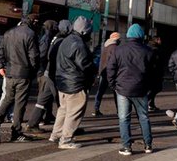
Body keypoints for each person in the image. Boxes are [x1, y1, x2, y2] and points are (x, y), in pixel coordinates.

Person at [107, 24, 157, 156]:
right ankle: (148, 145)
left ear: (128, 35)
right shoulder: (148, 51)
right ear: (141, 36)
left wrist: (113, 86)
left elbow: (110, 69)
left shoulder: (118, 50)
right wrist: (149, 88)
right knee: (144, 117)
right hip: (141, 89)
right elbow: (153, 73)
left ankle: (127, 146)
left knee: (124, 118)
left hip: (122, 88)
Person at [0, 15, 40, 143]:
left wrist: (0, 66)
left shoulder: (8, 33)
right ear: (32, 22)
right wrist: (33, 72)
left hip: (9, 72)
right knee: (19, 104)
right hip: (23, 74)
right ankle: (16, 132)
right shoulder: (30, 34)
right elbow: (34, 57)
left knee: (7, 99)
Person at [50, 16, 96, 149]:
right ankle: (66, 140)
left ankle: (56, 134)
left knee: (63, 110)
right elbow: (85, 65)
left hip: (62, 81)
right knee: (74, 112)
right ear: (85, 31)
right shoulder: (79, 44)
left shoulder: (66, 40)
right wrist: (93, 72)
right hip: (75, 83)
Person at [26, 20, 70, 133]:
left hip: (47, 73)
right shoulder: (61, 40)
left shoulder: (54, 38)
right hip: (53, 74)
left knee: (42, 100)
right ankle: (66, 128)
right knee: (63, 102)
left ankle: (32, 123)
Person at [93, 32, 120, 117]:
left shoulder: (106, 47)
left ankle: (96, 108)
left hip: (103, 72)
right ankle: (119, 110)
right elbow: (115, 62)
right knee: (116, 92)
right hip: (111, 72)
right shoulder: (115, 48)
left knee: (100, 91)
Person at [147, 36, 164, 111]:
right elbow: (157, 62)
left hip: (151, 72)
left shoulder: (149, 47)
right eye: (159, 39)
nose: (161, 41)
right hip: (155, 72)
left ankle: (151, 105)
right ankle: (146, 102)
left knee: (152, 88)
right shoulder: (155, 49)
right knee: (156, 88)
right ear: (156, 40)